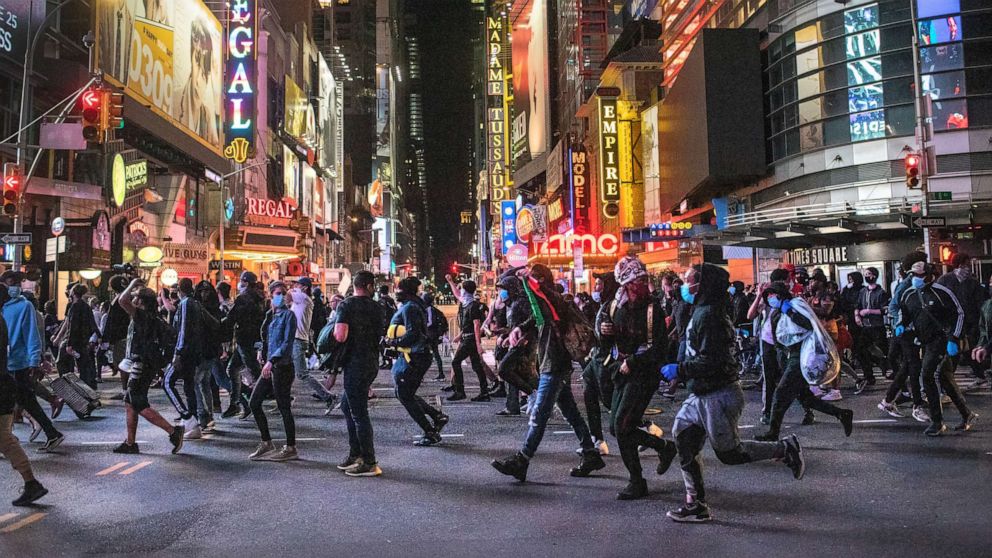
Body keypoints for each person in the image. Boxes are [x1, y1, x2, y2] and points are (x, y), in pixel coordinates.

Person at [662, 264, 805, 523]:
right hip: (701, 393)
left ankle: (785, 449)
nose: (684, 285)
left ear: (703, 284)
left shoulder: (711, 316)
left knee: (730, 454)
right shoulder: (703, 310)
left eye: (689, 280)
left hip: (718, 394)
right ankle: (696, 503)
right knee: (683, 437)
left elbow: (712, 361)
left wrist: (680, 370)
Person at [491, 264, 604, 483]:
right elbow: (536, 318)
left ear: (541, 281)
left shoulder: (555, 301)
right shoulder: (545, 305)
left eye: (533, 281)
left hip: (555, 365)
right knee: (570, 412)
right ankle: (590, 454)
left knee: (540, 414)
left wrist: (528, 280)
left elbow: (544, 300)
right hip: (550, 363)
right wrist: (519, 329)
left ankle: (522, 459)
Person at [599, 257, 677, 500]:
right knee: (616, 427)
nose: (640, 284)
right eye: (635, 281)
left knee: (622, 427)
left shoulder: (654, 309)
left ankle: (637, 480)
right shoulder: (615, 306)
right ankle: (664, 447)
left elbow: (659, 349)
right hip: (619, 371)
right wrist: (605, 333)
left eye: (642, 280)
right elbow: (606, 341)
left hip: (643, 374)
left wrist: (632, 362)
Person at [754, 282, 854, 442]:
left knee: (780, 395)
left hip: (801, 356)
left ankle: (773, 432)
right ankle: (842, 414)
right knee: (805, 397)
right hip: (789, 357)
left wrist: (790, 312)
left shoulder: (794, 306)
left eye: (773, 295)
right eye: (768, 296)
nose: (770, 299)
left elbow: (808, 324)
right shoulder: (777, 312)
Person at [896, 260, 977, 436]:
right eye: (913, 275)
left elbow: (959, 313)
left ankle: (937, 421)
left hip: (941, 340)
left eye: (919, 275)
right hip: (924, 341)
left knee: (927, 375)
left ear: (929, 275)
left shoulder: (942, 292)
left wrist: (954, 338)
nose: (915, 278)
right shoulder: (909, 294)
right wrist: (901, 324)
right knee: (944, 378)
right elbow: (905, 313)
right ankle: (967, 414)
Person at [114, 277, 185, 455]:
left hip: (141, 364)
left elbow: (121, 300)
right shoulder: (154, 318)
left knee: (137, 401)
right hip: (147, 364)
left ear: (142, 302)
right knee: (130, 401)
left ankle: (173, 431)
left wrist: (132, 283)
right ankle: (130, 443)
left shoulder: (142, 316)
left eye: (136, 297)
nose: (133, 299)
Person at [2, 270, 64, 452]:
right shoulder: (3, 306)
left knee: (23, 401)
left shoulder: (24, 306)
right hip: (6, 362)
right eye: (10, 283)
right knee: (26, 401)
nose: (14, 287)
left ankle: (9, 440)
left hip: (18, 362)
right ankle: (52, 434)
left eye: (16, 283)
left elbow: (31, 335)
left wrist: (34, 359)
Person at [385, 277, 448, 446]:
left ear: (405, 292)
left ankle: (430, 431)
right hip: (413, 356)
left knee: (405, 395)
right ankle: (437, 417)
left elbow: (413, 333)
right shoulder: (413, 305)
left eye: (398, 290)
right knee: (405, 393)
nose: (396, 293)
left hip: (413, 357)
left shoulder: (410, 308)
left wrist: (393, 342)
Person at [334, 270, 385, 477]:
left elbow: (340, 335)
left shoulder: (346, 305)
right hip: (371, 362)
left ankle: (369, 461)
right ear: (369, 286)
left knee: (358, 413)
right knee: (348, 406)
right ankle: (356, 453)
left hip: (355, 363)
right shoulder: (378, 307)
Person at [0, 307, 48, 506]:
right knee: (4, 439)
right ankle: (31, 483)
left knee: (4, 439)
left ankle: (32, 483)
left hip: (2, 386)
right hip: (4, 384)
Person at [247, 281, 299, 462]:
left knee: (284, 406)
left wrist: (271, 360)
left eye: (283, 293)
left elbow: (286, 343)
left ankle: (291, 447)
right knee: (254, 403)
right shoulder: (270, 315)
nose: (281, 296)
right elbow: (264, 337)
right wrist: (261, 350)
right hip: (269, 365)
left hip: (282, 367)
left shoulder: (289, 316)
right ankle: (266, 442)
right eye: (277, 293)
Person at [879, 252, 931, 423]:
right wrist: (903, 323)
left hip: (910, 332)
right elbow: (894, 306)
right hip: (907, 333)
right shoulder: (907, 284)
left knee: (907, 368)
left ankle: (888, 401)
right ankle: (917, 405)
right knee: (913, 367)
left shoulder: (915, 283)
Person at [937, 253, 989, 386]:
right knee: (959, 350)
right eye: (964, 264)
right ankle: (950, 378)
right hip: (954, 322)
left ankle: (952, 379)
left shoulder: (972, 282)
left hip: (970, 322)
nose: (966, 268)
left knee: (967, 348)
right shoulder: (945, 280)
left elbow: (980, 303)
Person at [582, 271, 619, 454]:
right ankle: (597, 439)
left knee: (610, 401)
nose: (596, 288)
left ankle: (644, 427)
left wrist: (614, 330)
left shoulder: (615, 306)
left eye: (599, 285)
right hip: (595, 357)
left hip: (606, 359)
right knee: (589, 395)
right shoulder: (602, 305)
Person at [164, 278, 205, 439]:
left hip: (185, 352)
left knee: (167, 382)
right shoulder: (193, 303)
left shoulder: (186, 303)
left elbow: (183, 330)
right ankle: (193, 423)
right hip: (193, 351)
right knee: (189, 387)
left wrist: (178, 353)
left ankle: (188, 417)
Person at [493, 272, 538, 417]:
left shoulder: (522, 302)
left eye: (504, 288)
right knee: (522, 374)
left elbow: (533, 319)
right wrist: (506, 334)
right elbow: (515, 325)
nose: (502, 292)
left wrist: (523, 334)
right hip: (515, 343)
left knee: (504, 369)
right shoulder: (512, 304)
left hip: (523, 344)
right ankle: (535, 401)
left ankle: (534, 395)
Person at [222, 271, 265, 419]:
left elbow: (232, 318)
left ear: (245, 282)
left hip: (244, 340)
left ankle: (272, 396)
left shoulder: (243, 298)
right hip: (252, 340)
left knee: (255, 372)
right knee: (233, 369)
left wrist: (219, 324)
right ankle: (238, 403)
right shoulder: (260, 298)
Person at [290, 277, 334, 409]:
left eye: (298, 284)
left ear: (304, 287)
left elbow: (285, 296)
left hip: (298, 340)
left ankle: (328, 396)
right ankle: (284, 398)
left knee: (302, 373)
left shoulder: (303, 298)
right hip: (295, 339)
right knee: (285, 371)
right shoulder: (302, 299)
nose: (295, 286)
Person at [444, 274, 488, 401]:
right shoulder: (466, 302)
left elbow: (476, 325)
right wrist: (451, 281)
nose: (460, 290)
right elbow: (457, 294)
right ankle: (484, 392)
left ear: (466, 290)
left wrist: (478, 344)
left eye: (462, 288)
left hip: (470, 339)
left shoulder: (473, 306)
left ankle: (460, 391)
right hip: (467, 337)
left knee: (456, 362)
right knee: (476, 365)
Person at [193, 281, 227, 433]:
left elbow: (216, 327)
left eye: (206, 291)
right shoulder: (202, 307)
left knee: (198, 382)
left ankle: (204, 416)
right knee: (205, 383)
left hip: (207, 351)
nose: (204, 294)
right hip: (205, 351)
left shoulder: (209, 309)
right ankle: (208, 416)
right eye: (201, 291)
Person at [854, 267, 890, 390]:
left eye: (869, 274)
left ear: (874, 276)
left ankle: (885, 367)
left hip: (877, 325)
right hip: (865, 326)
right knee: (861, 350)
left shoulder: (881, 292)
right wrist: (857, 316)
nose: (867, 276)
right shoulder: (863, 291)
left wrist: (870, 311)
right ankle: (868, 375)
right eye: (865, 274)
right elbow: (857, 305)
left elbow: (885, 309)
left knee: (880, 350)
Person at [64, 283, 99, 389]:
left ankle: (82, 390)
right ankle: (89, 387)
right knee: (85, 366)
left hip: (77, 341)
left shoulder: (75, 306)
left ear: (73, 293)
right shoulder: (86, 306)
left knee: (79, 366)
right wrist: (98, 335)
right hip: (85, 340)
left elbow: (72, 325)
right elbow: (92, 323)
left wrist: (69, 343)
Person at [422, 292, 448, 381]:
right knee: (434, 355)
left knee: (429, 355)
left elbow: (430, 322)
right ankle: (440, 373)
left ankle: (440, 374)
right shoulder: (432, 309)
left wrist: (422, 326)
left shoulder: (429, 310)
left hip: (430, 336)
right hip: (432, 335)